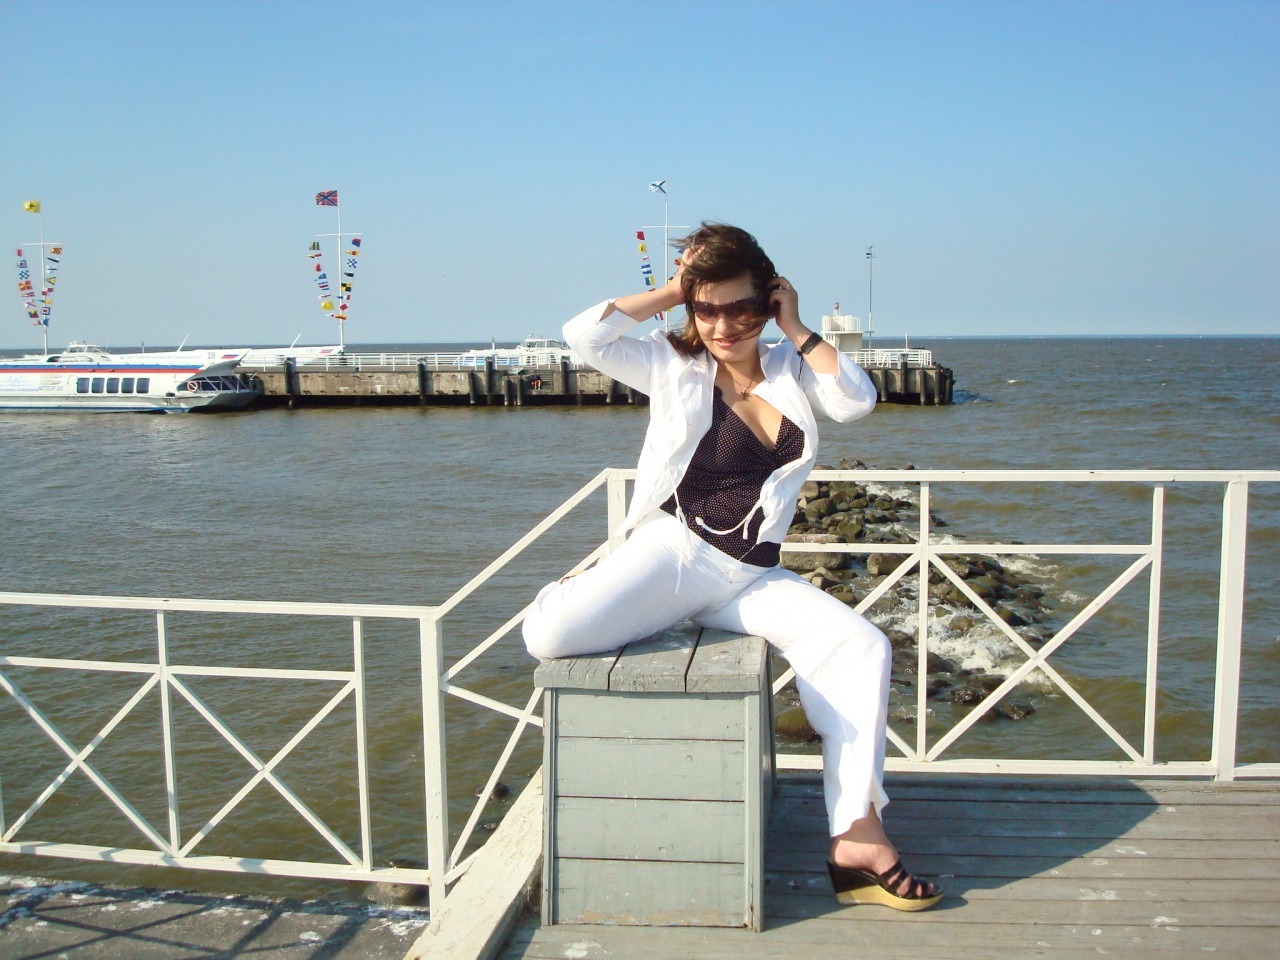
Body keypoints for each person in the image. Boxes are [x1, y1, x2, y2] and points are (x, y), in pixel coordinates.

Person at [522, 222, 942, 912]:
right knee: (548, 635)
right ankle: (578, 584)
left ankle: (858, 838)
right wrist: (674, 290)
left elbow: (856, 401)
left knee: (861, 646)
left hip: (748, 575)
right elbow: (583, 336)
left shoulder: (789, 368)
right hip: (676, 552)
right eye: (706, 309)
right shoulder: (670, 363)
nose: (722, 326)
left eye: (742, 308)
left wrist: (796, 326)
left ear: (768, 301)